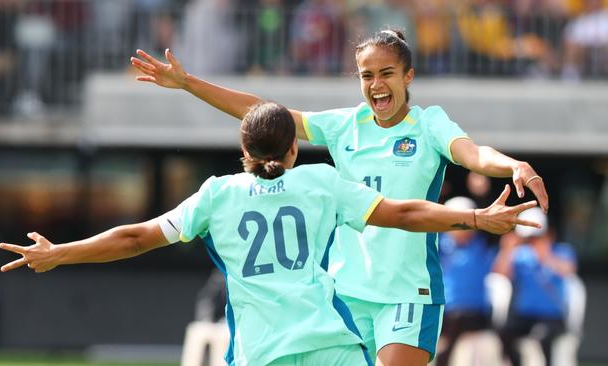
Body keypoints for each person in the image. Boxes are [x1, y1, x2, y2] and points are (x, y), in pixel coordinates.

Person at [0, 103, 539, 366]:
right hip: (332, 348)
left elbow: (136, 238)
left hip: (260, 353)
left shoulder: (217, 195)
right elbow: (401, 212)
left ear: (243, 152)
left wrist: (60, 253)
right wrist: (473, 219)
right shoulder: (322, 183)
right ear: (293, 150)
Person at [130, 29, 549, 365]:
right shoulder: (343, 126)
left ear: (408, 77)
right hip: (344, 293)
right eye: (367, 76)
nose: (376, 84)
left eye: (387, 73)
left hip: (408, 293)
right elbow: (263, 113)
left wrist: (511, 165)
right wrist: (187, 83)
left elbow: (472, 154)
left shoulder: (429, 124)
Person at [492, 207, 577, 366]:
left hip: (553, 316)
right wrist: (507, 249)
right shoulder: (520, 255)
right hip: (525, 315)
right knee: (504, 332)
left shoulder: (562, 250)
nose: (531, 242)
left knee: (542, 336)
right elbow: (500, 273)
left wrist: (545, 255)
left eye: (535, 237)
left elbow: (568, 270)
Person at [436, 197, 496, 366]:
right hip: (445, 314)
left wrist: (482, 192)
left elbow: (490, 218)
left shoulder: (483, 243)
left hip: (476, 315)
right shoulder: (436, 245)